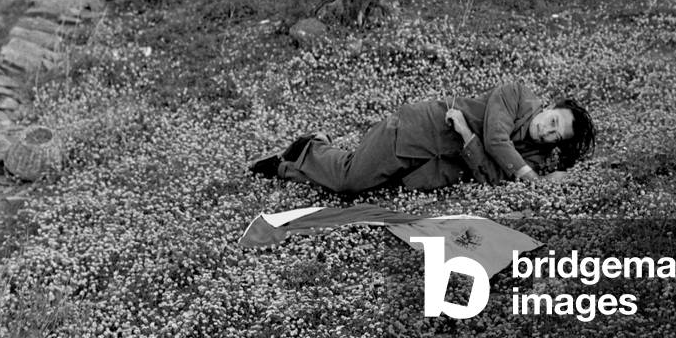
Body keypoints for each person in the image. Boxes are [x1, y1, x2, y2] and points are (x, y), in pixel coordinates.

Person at [248, 80, 595, 194]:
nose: (546, 130)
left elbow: (491, 177)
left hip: (428, 171)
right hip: (414, 131)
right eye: (552, 120)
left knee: (360, 190)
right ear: (549, 106)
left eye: (554, 136)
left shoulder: (532, 157)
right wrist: (536, 180)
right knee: (350, 180)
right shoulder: (516, 94)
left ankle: (283, 167)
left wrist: (465, 135)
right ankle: (313, 145)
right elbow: (496, 142)